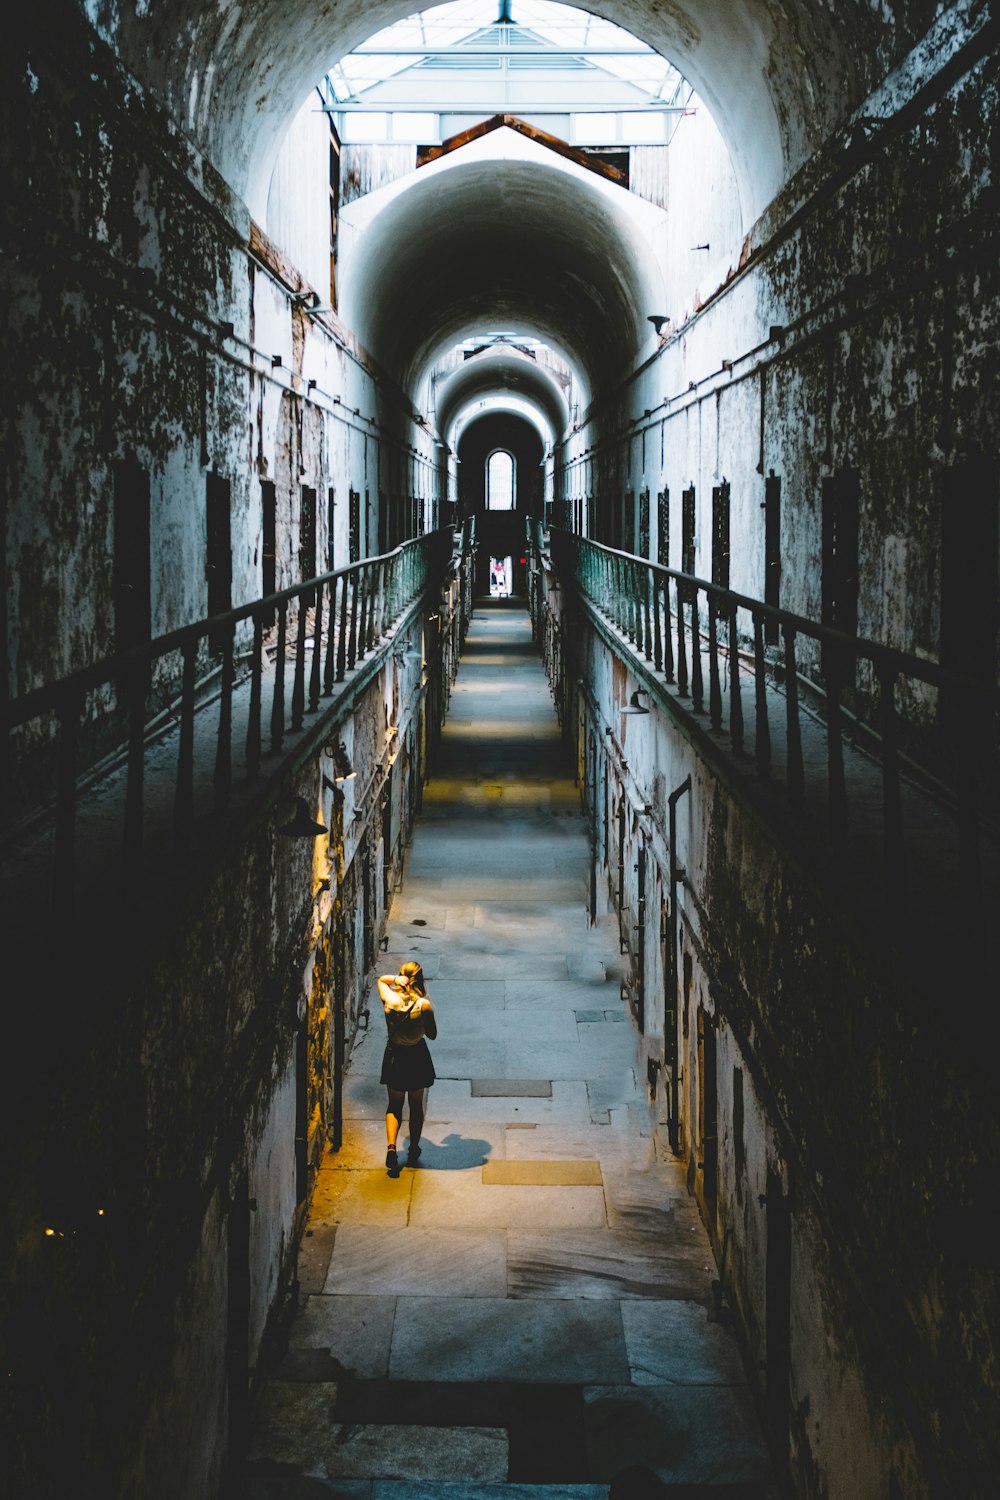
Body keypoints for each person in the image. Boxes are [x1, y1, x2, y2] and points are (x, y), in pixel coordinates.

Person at [377, 960, 437, 1172]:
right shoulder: (424, 1005)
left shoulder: (389, 998)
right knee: (415, 1105)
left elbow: (381, 980)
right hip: (416, 1055)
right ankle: (413, 1148)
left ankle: (392, 1148)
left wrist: (394, 979)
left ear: (402, 977)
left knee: (394, 1105)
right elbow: (432, 1035)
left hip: (394, 1054)